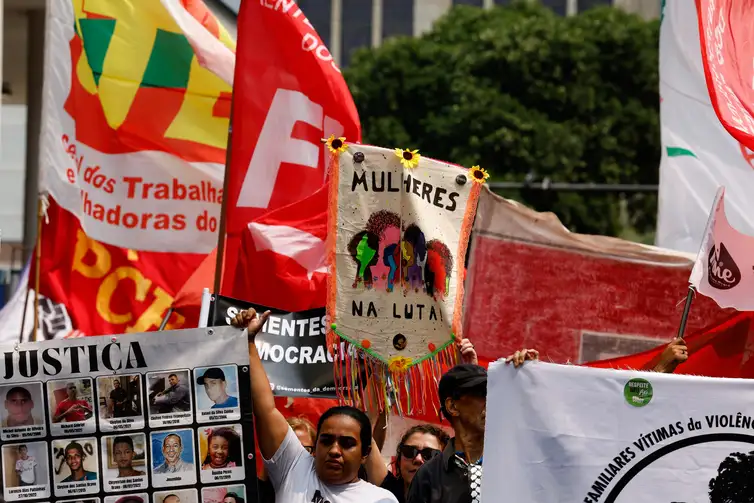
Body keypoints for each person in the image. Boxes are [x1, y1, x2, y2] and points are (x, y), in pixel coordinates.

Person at [231, 308, 398, 503]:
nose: (334, 450)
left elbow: (371, 414)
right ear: (316, 443)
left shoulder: (380, 499)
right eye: (326, 440)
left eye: (347, 443)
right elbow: (265, 409)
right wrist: (249, 342)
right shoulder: (294, 466)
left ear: (365, 454)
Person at [406, 349, 539, 503]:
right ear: (453, 406)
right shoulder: (428, 475)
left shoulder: (515, 464)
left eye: (492, 393)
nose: (490, 401)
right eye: (482, 393)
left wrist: (532, 376)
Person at [258, 416, 318, 502]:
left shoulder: (323, 491)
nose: (297, 456)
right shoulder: (254, 493)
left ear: (315, 453)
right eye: (289, 450)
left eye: (305, 450)